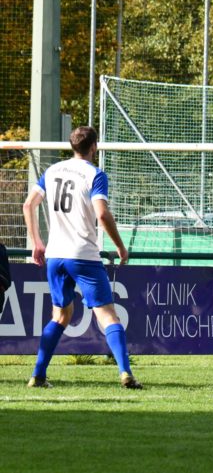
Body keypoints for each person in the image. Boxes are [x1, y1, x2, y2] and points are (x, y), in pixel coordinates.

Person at [21, 126, 142, 389]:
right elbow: (102, 213)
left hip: (55, 255)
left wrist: (37, 242)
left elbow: (28, 204)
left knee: (60, 316)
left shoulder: (52, 171)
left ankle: (38, 375)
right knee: (108, 316)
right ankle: (125, 373)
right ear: (94, 147)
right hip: (83, 255)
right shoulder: (95, 174)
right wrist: (120, 246)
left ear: (72, 145)